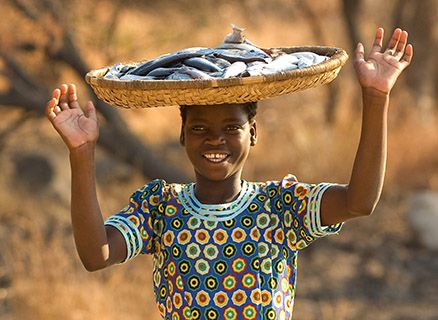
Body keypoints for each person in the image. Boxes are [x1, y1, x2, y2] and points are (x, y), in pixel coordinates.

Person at [46, 28, 412, 320]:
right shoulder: (160, 207)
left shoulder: (282, 206)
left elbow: (359, 202)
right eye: (200, 128)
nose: (215, 140)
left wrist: (376, 97)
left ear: (253, 134)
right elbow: (96, 255)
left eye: (231, 128)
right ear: (182, 135)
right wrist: (82, 152)